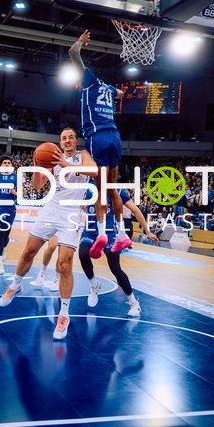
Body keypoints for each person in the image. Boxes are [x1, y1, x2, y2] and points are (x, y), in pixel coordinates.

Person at [0, 127, 97, 341]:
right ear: (60, 142)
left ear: (75, 141)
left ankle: (63, 314)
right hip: (51, 208)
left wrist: (66, 163)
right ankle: (15, 285)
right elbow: (37, 185)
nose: (68, 140)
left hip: (71, 212)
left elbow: (94, 171)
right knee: (28, 251)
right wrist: (37, 165)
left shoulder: (83, 155)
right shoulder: (51, 159)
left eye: (71, 137)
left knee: (64, 264)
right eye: (64, 138)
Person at [69, 29, 132, 259]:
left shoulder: (90, 81)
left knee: (99, 188)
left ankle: (103, 233)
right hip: (116, 137)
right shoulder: (106, 87)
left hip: (98, 137)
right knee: (112, 188)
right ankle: (122, 233)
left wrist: (80, 42)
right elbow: (122, 94)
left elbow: (73, 53)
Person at [80, 185, 158, 316]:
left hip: (110, 234)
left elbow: (135, 210)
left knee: (115, 267)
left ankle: (134, 303)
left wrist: (147, 230)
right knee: (83, 254)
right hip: (90, 232)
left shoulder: (117, 191)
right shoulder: (88, 187)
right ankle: (95, 285)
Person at [0, 156, 17, 273]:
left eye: (8, 163)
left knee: (6, 236)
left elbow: (21, 194)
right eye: (4, 163)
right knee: (1, 232)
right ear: (1, 165)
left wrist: (15, 192)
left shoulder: (16, 177)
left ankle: (4, 248)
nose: (7, 164)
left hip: (11, 208)